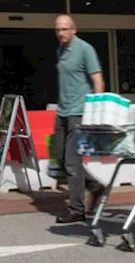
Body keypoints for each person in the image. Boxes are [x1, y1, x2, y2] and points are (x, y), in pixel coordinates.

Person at [51, 14, 106, 224]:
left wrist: (95, 112)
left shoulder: (85, 49)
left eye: (65, 29)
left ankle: (77, 210)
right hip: (62, 112)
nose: (61, 33)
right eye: (58, 29)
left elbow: (98, 80)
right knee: (60, 157)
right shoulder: (61, 51)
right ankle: (94, 185)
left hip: (79, 112)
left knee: (72, 163)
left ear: (74, 29)